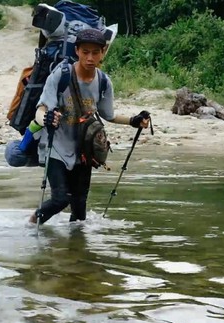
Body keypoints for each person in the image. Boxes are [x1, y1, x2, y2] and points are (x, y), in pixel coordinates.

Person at [29, 27, 151, 225]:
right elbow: (41, 108)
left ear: (103, 53)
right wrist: (47, 118)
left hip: (83, 152)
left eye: (95, 52)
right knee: (60, 200)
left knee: (80, 212)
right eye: (85, 52)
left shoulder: (103, 81)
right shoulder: (61, 74)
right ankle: (31, 224)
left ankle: (75, 251)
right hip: (55, 148)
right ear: (76, 51)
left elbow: (108, 115)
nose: (90, 57)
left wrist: (133, 120)